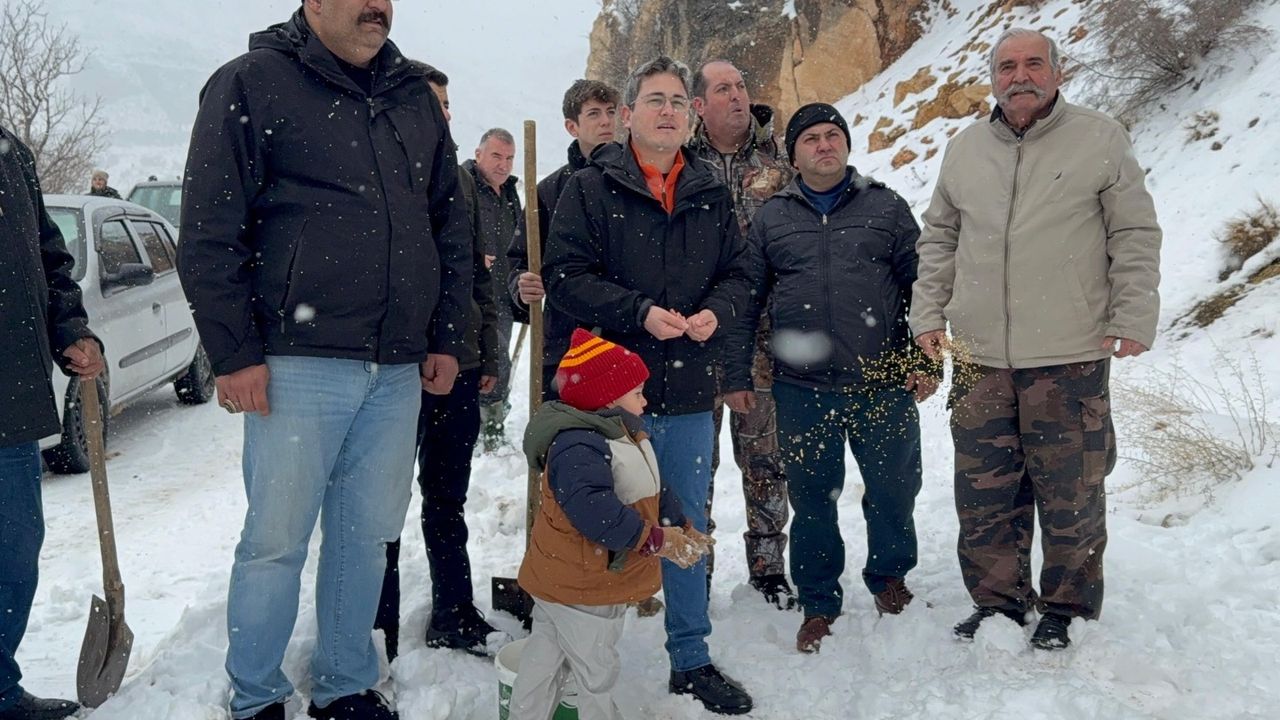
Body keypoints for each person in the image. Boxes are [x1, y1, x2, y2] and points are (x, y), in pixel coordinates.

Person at [177, 1, 471, 718]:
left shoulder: (413, 96)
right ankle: (256, 694)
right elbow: (209, 228)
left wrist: (445, 335)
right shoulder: (253, 81)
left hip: (395, 367)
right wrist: (234, 353)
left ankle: (344, 683)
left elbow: (448, 225)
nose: (378, 6)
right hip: (296, 360)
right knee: (275, 540)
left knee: (366, 537)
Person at [910, 28, 1162, 650]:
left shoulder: (1100, 137)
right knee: (984, 491)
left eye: (1032, 64)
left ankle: (1067, 607)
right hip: (979, 355)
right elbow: (939, 238)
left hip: (1068, 352)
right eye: (1006, 66)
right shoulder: (965, 150)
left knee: (1071, 488)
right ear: (992, 78)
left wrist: (1133, 314)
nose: (1019, 76)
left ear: (1057, 71)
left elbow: (1133, 232)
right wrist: (928, 314)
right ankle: (997, 602)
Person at [544, 55, 754, 716]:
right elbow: (565, 277)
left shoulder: (710, 191)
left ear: (692, 115)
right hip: (612, 395)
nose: (667, 111)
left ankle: (690, 658)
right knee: (595, 520)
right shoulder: (590, 189)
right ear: (629, 114)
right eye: (654, 100)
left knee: (685, 521)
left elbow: (742, 271)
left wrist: (717, 309)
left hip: (689, 391)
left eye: (677, 101)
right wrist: (637, 312)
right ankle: (579, 656)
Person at [725, 103, 937, 653]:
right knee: (812, 498)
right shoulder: (773, 218)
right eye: (811, 139)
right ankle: (819, 601)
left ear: (846, 144)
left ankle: (889, 579)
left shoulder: (886, 207)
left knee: (894, 490)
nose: (824, 145)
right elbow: (747, 300)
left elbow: (925, 289)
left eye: (832, 135)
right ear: (793, 155)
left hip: (882, 381)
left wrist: (927, 360)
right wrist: (735, 372)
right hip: (803, 388)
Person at [510, 329, 709, 720]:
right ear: (608, 398)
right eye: (637, 393)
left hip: (571, 578)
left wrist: (679, 525)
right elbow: (595, 513)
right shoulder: (577, 446)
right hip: (582, 583)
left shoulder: (621, 431)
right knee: (595, 671)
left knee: (546, 659)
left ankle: (526, 713)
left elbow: (652, 486)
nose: (645, 400)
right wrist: (654, 540)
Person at [375, 63, 503, 661]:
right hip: (397, 368)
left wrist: (487, 352)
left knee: (447, 498)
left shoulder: (460, 182)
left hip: (460, 366)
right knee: (382, 504)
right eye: (433, 102)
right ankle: (376, 627)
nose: (443, 113)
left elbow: (476, 277)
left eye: (447, 104)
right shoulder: (382, 170)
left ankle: (453, 610)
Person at [1, 122, 104, 720]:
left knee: (13, 553)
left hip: (8, 398)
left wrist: (71, 328)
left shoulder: (9, 152)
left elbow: (48, 255)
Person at [687, 59, 795, 609]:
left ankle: (769, 570)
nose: (737, 96)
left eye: (741, 86)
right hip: (696, 340)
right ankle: (693, 572)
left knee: (766, 462)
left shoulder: (781, 162)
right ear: (699, 105)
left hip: (765, 342)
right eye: (723, 89)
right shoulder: (681, 163)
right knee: (693, 466)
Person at [508, 79, 620, 401]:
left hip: (627, 338)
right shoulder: (549, 191)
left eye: (611, 112)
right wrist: (521, 284)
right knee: (566, 429)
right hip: (566, 343)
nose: (606, 121)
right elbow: (519, 259)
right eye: (594, 113)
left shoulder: (637, 183)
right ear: (572, 126)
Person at [465, 128, 522, 452]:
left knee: (497, 360)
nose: (504, 165)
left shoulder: (510, 191)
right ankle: (485, 429)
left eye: (509, 158)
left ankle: (492, 424)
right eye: (497, 156)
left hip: (503, 293)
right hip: (472, 294)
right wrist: (472, 256)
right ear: (479, 154)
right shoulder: (464, 185)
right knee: (489, 360)